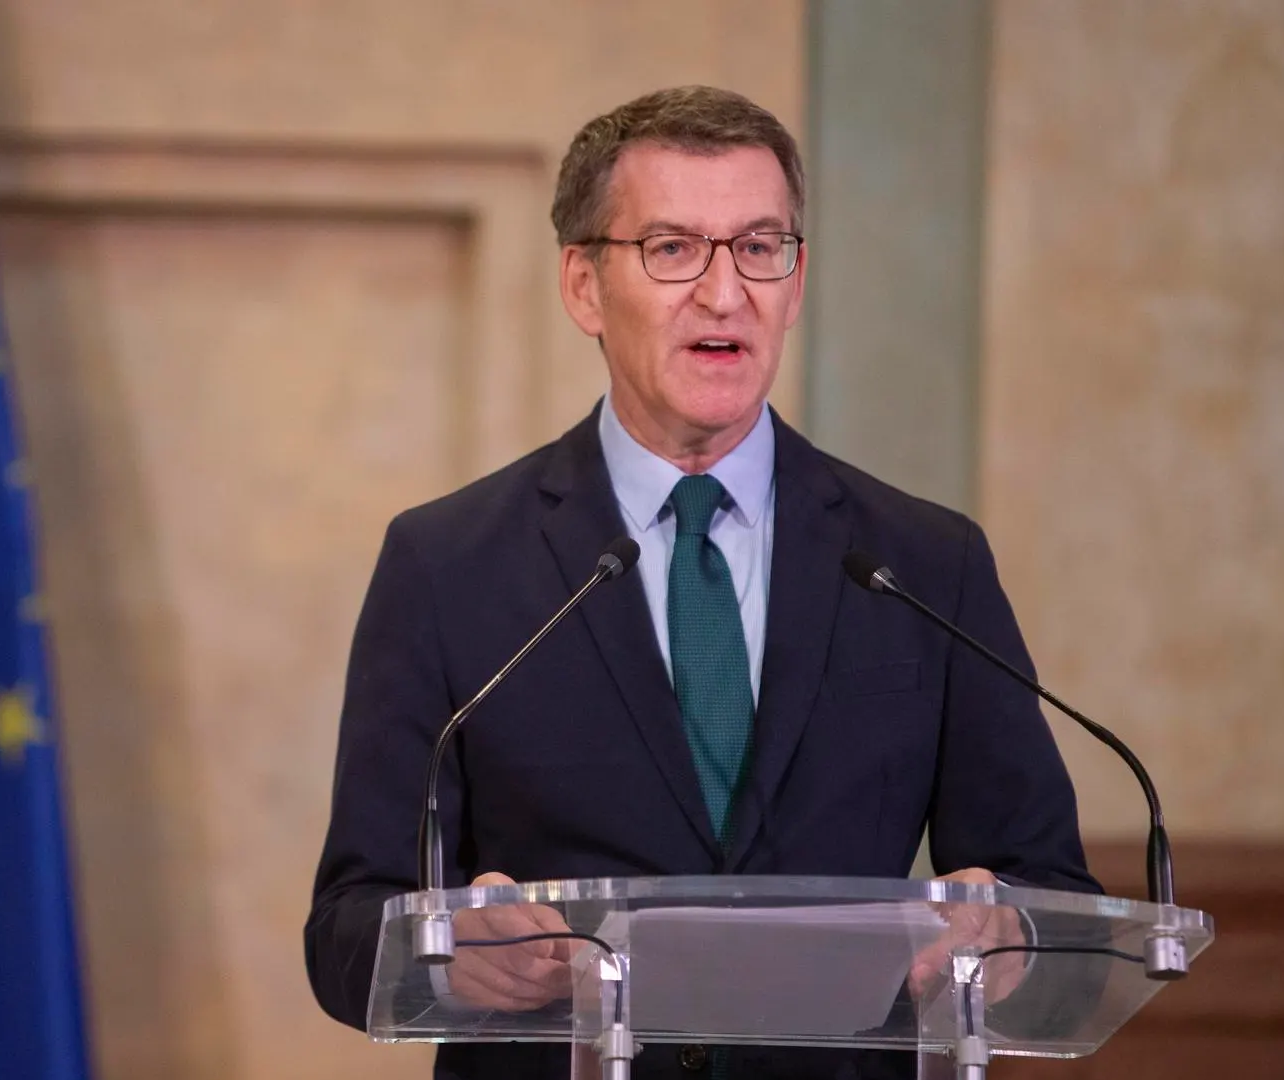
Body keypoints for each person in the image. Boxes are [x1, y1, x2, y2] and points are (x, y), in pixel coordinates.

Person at [304, 85, 1099, 1080]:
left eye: (760, 247)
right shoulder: (448, 563)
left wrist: (1006, 931)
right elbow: (344, 933)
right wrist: (454, 960)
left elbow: (1049, 888)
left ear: (796, 282)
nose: (726, 294)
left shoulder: (924, 562)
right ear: (584, 286)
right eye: (673, 249)